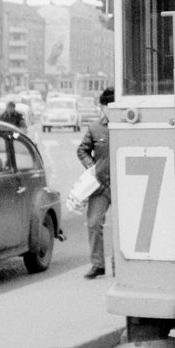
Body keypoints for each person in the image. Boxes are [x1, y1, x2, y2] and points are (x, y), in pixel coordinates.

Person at [76, 87, 114, 279]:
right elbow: (82, 150)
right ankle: (98, 264)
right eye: (108, 106)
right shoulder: (94, 128)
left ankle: (120, 265)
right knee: (93, 223)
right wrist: (92, 167)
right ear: (102, 107)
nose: (111, 110)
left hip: (123, 184)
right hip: (100, 185)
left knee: (124, 226)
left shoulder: (127, 126)